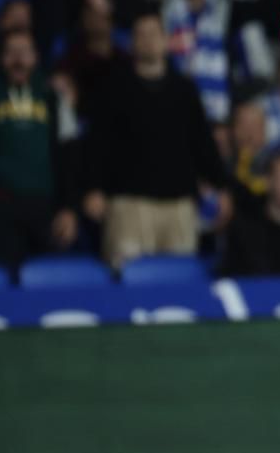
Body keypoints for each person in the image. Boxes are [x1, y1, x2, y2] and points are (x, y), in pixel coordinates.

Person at [83, 14, 231, 269]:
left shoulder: (184, 90)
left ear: (165, 41)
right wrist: (92, 188)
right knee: (126, 283)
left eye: (154, 34)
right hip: (128, 204)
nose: (148, 40)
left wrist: (222, 187)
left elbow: (202, 143)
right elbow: (97, 144)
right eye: (141, 34)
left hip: (179, 206)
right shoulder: (113, 88)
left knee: (179, 286)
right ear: (131, 43)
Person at [0, 28, 80, 269]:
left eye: (25, 52)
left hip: (46, 209)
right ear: (1, 58)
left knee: (47, 278)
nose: (19, 59)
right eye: (11, 53)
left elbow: (70, 158)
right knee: (5, 280)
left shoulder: (53, 98)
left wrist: (70, 208)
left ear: (36, 57)